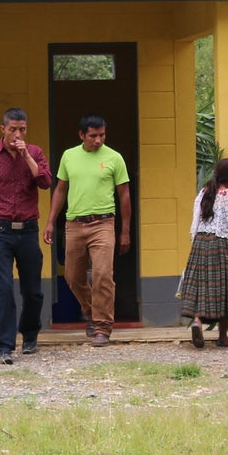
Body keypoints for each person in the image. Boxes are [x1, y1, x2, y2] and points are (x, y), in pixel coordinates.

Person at [0, 108, 52, 364]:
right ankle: (3, 347)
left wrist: (26, 155)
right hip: (0, 229)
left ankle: (29, 334)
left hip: (28, 230)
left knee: (33, 290)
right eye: (13, 129)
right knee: (3, 288)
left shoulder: (35, 153)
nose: (18, 134)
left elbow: (45, 182)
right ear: (2, 129)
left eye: (23, 129)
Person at [46, 115, 132, 346]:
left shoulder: (114, 158)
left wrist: (125, 231)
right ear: (81, 135)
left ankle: (103, 328)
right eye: (93, 135)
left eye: (102, 135)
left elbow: (124, 195)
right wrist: (51, 222)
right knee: (73, 277)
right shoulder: (69, 156)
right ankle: (93, 313)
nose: (98, 140)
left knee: (103, 274)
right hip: (74, 223)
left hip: (103, 223)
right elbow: (60, 190)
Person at [180, 158, 228, 348]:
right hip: (220, 243)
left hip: (200, 243)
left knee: (202, 285)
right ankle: (223, 336)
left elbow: (196, 220)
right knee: (224, 287)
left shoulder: (204, 192)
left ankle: (198, 321)